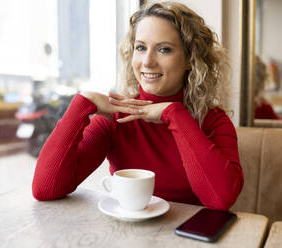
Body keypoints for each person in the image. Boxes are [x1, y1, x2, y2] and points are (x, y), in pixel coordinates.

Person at [32, 1, 244, 210]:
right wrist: (82, 104)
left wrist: (174, 114)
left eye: (164, 50)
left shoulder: (214, 121)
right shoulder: (118, 119)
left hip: (189, 240)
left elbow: (221, 199)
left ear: (190, 59)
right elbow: (46, 188)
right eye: (140, 47)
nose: (147, 61)